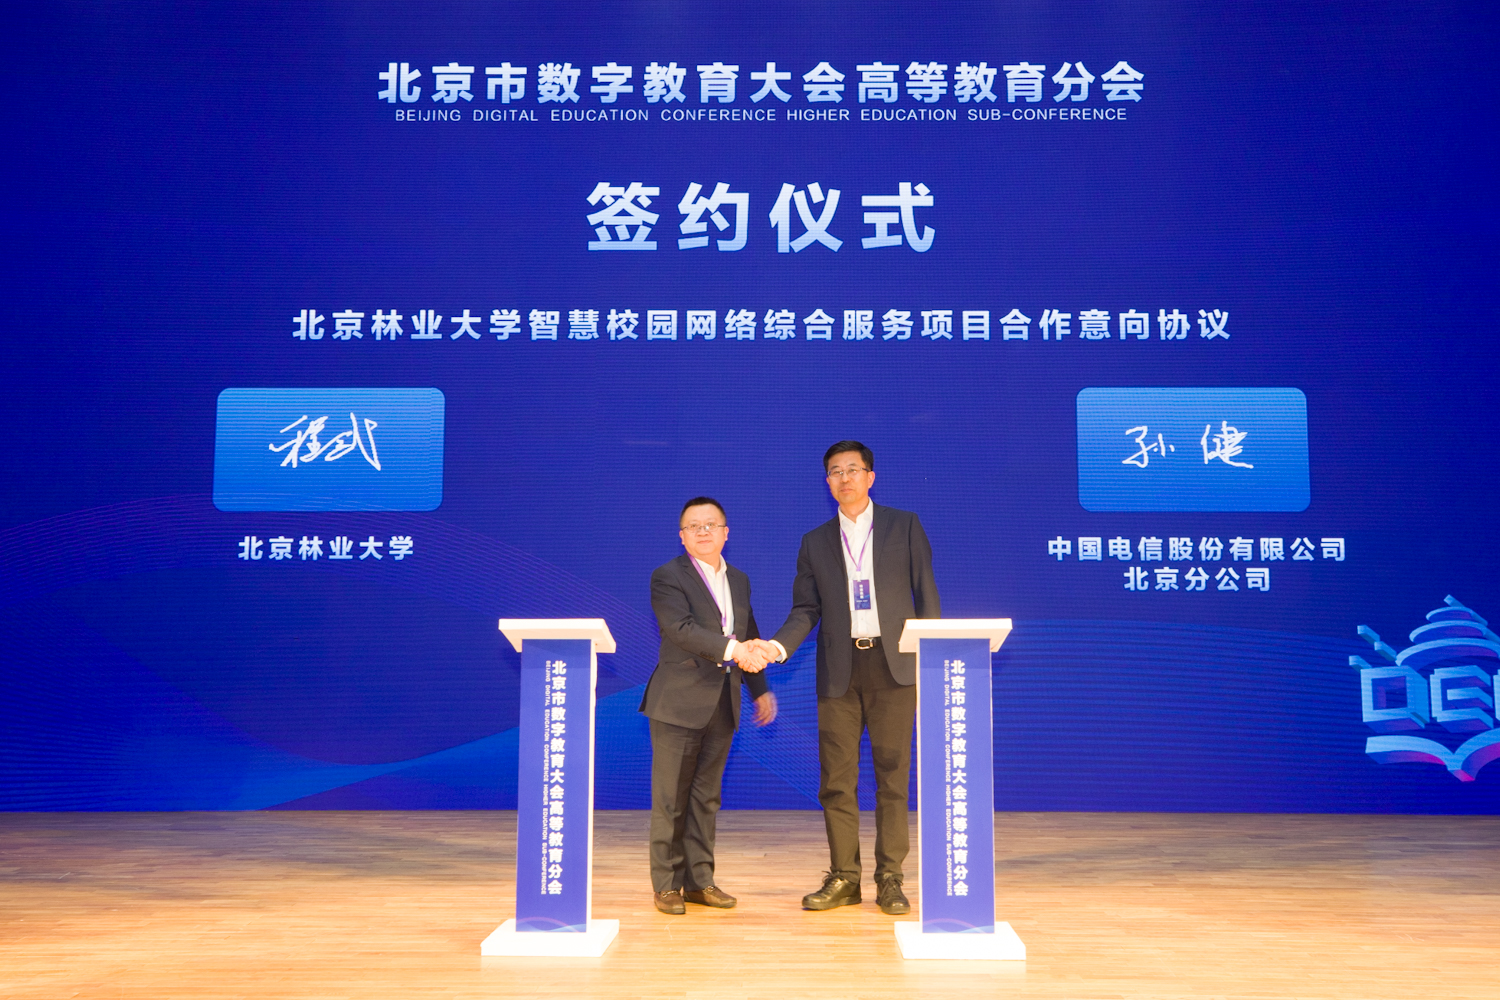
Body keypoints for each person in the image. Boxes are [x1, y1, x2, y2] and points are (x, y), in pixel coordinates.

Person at [765, 441, 939, 915]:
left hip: (894, 666)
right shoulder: (815, 541)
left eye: (853, 469)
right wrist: (777, 647)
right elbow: (805, 610)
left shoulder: (904, 525)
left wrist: (932, 657)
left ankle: (890, 878)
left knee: (892, 778)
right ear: (827, 483)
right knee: (836, 780)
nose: (845, 478)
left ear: (870, 476)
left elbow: (927, 595)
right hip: (839, 671)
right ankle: (844, 876)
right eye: (836, 472)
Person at [641, 497, 778, 915]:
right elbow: (680, 629)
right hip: (678, 702)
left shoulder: (739, 579)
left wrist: (760, 689)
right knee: (671, 798)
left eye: (711, 524)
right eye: (693, 526)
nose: (703, 531)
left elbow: (748, 633)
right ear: (682, 537)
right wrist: (736, 651)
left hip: (723, 700)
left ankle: (700, 881)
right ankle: (667, 885)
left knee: (705, 798)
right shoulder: (667, 576)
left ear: (725, 533)